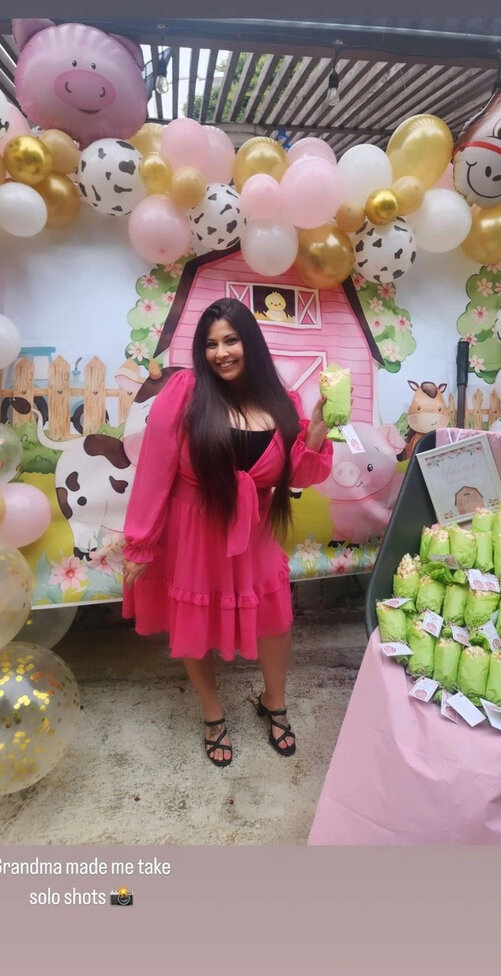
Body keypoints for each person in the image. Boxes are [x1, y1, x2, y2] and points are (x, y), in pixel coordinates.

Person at [122, 297, 333, 767]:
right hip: (193, 529)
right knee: (194, 623)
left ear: (249, 344)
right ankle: (212, 714)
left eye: (231, 340)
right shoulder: (185, 391)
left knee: (275, 621)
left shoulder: (282, 402)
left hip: (254, 531)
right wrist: (140, 541)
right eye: (211, 343)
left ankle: (274, 702)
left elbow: (298, 475)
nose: (221, 353)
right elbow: (155, 467)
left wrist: (316, 433)